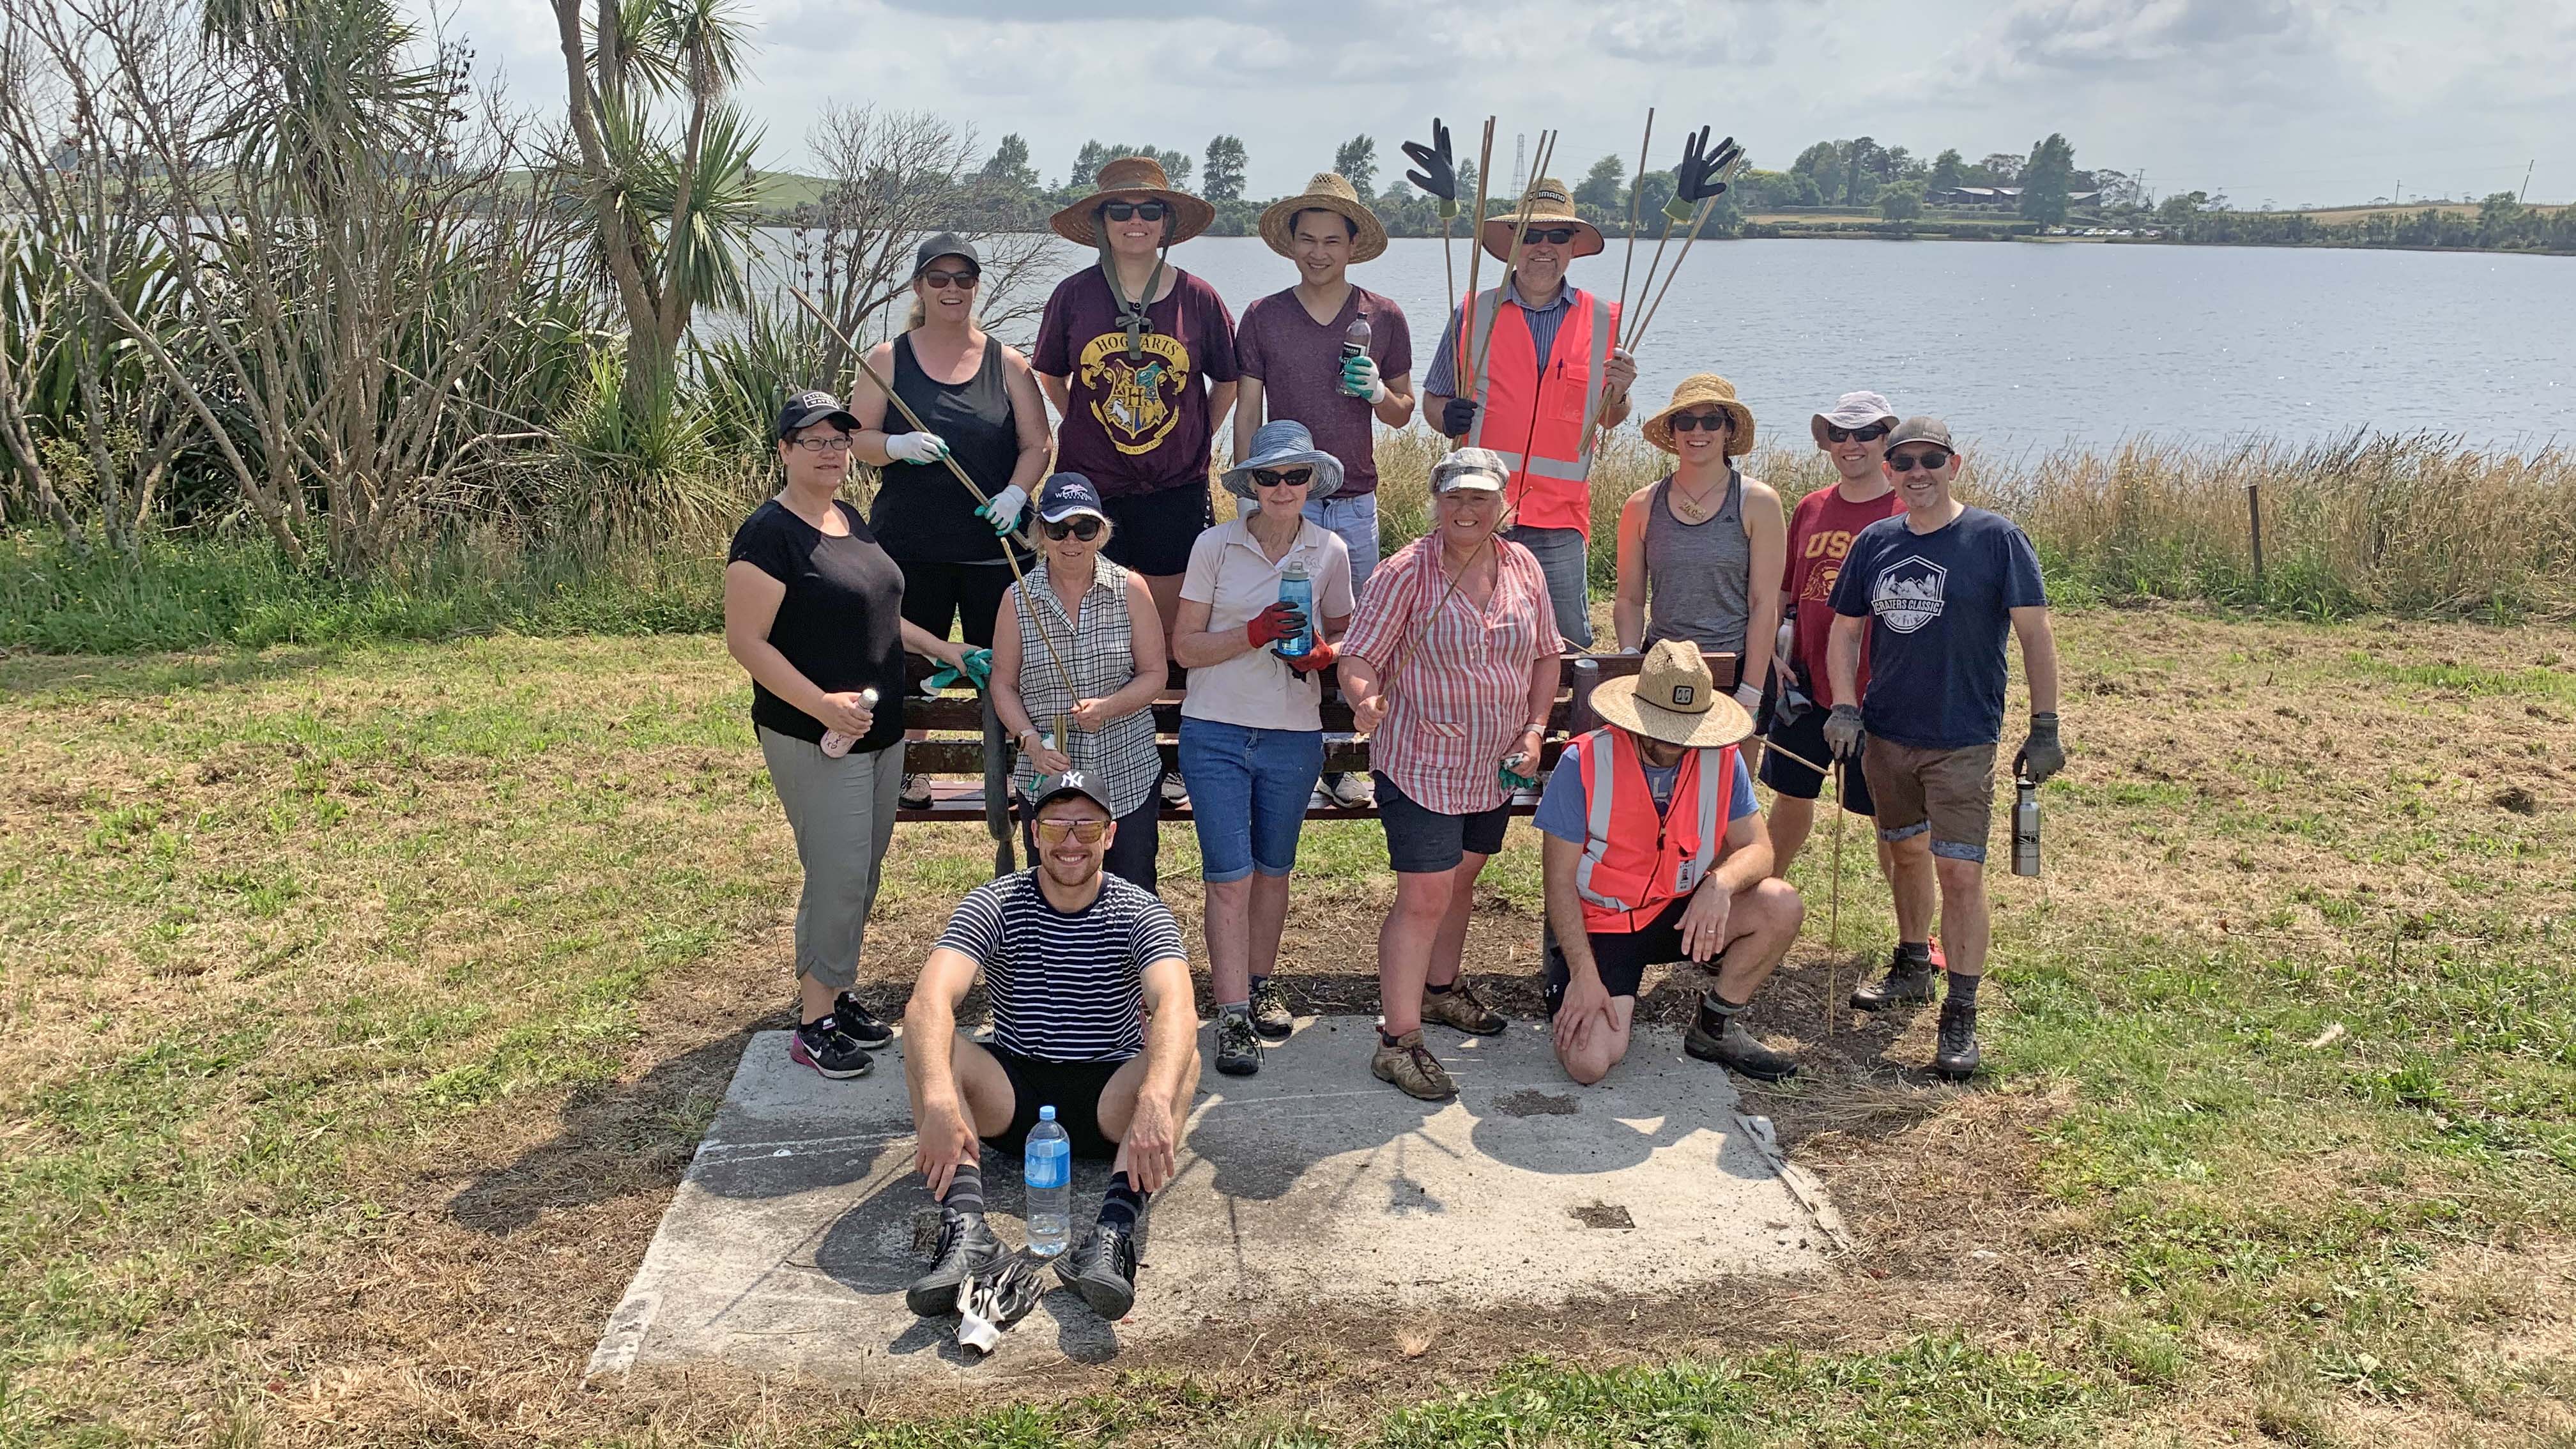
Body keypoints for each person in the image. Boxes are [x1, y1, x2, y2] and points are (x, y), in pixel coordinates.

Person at [723, 390, 977, 1080]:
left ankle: (833, 994)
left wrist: (946, 650)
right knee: (835, 876)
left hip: (880, 732)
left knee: (858, 874)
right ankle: (812, 1024)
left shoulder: (850, 519)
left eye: (840, 439)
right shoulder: (768, 534)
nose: (832, 452)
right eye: (814, 441)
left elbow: (882, 614)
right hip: (814, 735)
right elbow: (745, 641)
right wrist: (821, 704)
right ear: (783, 451)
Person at [900, 771, 1200, 1324]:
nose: (1070, 843)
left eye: (1086, 828)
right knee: (931, 1040)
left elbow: (1177, 1005)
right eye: (1056, 826)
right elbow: (928, 1001)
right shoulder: (995, 901)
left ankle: (1111, 1235)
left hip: (1111, 1100)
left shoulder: (1140, 909)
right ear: (1033, 833)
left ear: (1110, 836)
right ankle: (967, 1230)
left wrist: (1155, 1098)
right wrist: (940, 1102)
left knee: (1183, 1058)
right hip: (1015, 1097)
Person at [1825, 418, 2066, 1080]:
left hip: (1962, 739)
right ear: (1892, 471)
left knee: (1959, 872)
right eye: (1903, 462)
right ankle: (1911, 964)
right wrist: (1845, 706)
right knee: (1905, 853)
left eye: (1930, 459)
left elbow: (2035, 635)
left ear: (1954, 464)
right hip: (1888, 735)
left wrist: (2044, 726)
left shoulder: (1996, 539)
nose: (1916, 472)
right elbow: (1844, 634)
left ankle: (1960, 1011)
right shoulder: (1876, 541)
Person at [1337, 448, 1565, 1100]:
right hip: (1423, 760)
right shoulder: (1405, 573)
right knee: (1426, 897)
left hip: (1494, 762)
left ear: (1503, 504)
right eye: (1455, 497)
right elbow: (1358, 655)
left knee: (1463, 879)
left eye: (1481, 498)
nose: (1467, 510)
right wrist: (1364, 699)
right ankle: (1397, 1042)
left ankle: (1440, 990)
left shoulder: (1521, 563)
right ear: (1437, 502)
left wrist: (1534, 728)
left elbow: (1546, 655)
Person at [1034, 157, 1238, 807]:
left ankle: (1170, 757)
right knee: (1100, 622)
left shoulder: (1199, 297)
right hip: (1096, 490)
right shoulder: (1073, 295)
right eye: (1120, 210)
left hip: (1176, 488)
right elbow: (1049, 373)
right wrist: (1088, 427)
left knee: (1176, 633)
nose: (1135, 222)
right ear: (1100, 222)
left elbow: (1227, 380)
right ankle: (1098, 747)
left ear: (1168, 223)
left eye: (1150, 210)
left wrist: (1195, 433)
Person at [1170, 420, 1355, 1077]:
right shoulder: (1214, 546)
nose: (1282, 488)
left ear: (1313, 482)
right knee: (1230, 878)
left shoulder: (1330, 548)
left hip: (1293, 735)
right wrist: (1252, 633)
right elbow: (1185, 648)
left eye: (1295, 475)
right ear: (1249, 484)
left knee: (1274, 872)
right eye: (1269, 476)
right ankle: (1232, 1014)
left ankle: (1260, 980)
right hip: (1215, 730)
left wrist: (1322, 654)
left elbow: (1341, 632)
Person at [850, 234, 1052, 811]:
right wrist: (895, 443)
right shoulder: (888, 359)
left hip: (996, 549)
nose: (952, 289)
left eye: (964, 278)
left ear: (975, 287)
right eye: (938, 278)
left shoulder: (1007, 362)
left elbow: (1038, 443)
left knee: (1007, 664)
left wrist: (1017, 492)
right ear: (918, 287)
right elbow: (856, 438)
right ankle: (913, 766)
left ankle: (1016, 763)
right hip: (910, 546)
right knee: (911, 660)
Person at [1236, 173, 1418, 811]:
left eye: (1331, 241)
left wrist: (1375, 392)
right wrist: (1247, 489)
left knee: (1355, 633)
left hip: (1355, 500)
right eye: (1307, 239)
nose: (1318, 251)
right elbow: (1247, 408)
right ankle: (1275, 752)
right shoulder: (1263, 316)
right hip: (1284, 495)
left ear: (1352, 246)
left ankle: (1343, 760)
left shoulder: (1382, 316)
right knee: (1281, 626)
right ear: (1291, 245)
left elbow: (1402, 411)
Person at [1759, 392, 1940, 985]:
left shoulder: (1905, 510)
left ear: (1887, 440)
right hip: (1808, 685)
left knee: (1890, 823)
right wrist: (1777, 653)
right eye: (1839, 434)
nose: (1851, 444)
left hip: (1878, 695)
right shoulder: (1811, 507)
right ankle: (1753, 906)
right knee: (1790, 799)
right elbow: (1788, 594)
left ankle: (1916, 940)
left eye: (1865, 433)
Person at [1422, 176, 1639, 650]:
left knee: (1567, 643)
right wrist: (1447, 415)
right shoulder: (1473, 312)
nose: (1544, 247)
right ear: (1514, 246)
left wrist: (1620, 393)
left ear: (1573, 246)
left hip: (1559, 516)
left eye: (1557, 236)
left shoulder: (1605, 319)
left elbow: (1609, 416)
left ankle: (1558, 725)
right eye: (1531, 235)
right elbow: (1432, 404)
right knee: (1470, 634)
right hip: (1477, 508)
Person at [990, 474, 1167, 893]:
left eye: (1084, 528)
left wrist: (1108, 707)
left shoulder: (1131, 588)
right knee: (1054, 893)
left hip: (1125, 773)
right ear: (1040, 534)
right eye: (1058, 528)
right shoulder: (1017, 599)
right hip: (1049, 778)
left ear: (1101, 533)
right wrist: (1028, 739)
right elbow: (1002, 684)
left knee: (1131, 892)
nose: (1071, 539)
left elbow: (1155, 675)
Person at [1612, 374, 1784, 735]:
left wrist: (1751, 691)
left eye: (1711, 421)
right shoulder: (1641, 505)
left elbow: (1763, 603)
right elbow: (1629, 598)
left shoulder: (1758, 502)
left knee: (1730, 788)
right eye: (1686, 421)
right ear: (1673, 431)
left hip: (1736, 667)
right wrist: (1630, 659)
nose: (1698, 431)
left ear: (1728, 431)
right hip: (1661, 666)